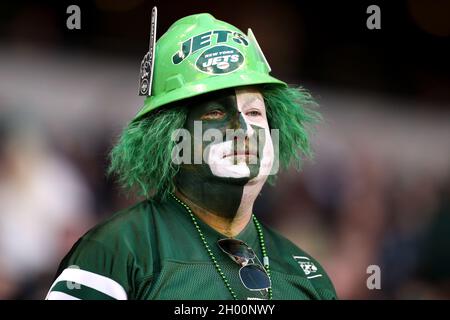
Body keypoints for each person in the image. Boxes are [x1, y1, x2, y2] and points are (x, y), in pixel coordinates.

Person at [46, 12, 337, 300]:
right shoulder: (116, 251)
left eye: (254, 112)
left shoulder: (307, 277)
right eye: (216, 113)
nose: (244, 129)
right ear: (169, 138)